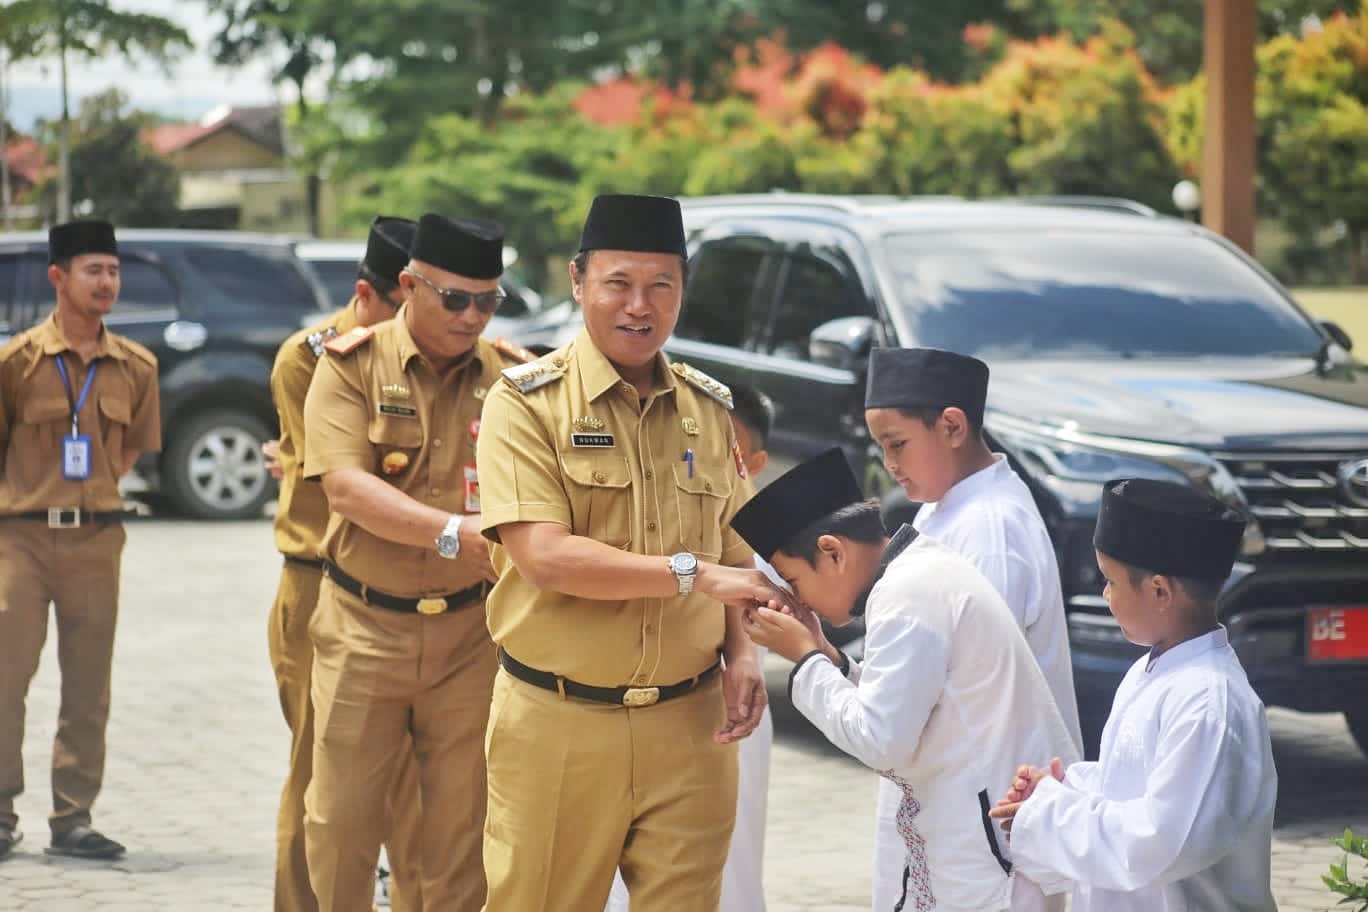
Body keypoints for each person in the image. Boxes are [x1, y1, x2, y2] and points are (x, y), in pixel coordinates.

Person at [475, 193, 782, 912]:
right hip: (560, 722)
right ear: (578, 281)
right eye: (618, 283)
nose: (639, 306)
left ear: (682, 291)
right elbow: (544, 556)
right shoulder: (525, 404)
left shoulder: (709, 410)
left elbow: (738, 552)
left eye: (660, 285)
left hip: (691, 724)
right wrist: (689, 574)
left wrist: (743, 655)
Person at [300, 212, 532, 912]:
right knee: (341, 822)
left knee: (461, 834)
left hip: (471, 637)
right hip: (363, 629)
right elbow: (345, 487)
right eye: (455, 298)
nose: (473, 317)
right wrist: (454, 532)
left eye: (488, 301)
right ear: (407, 286)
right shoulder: (350, 364)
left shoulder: (515, 379)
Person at [735, 448, 1078, 912]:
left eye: (794, 582)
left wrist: (804, 658)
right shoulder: (913, 573)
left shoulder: (907, 595)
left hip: (987, 855)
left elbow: (881, 739)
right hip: (973, 837)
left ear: (832, 552)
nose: (802, 601)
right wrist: (826, 655)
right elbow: (899, 699)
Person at [989, 478, 1277, 912]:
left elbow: (1158, 843)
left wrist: (1047, 815)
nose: (1105, 595)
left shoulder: (1207, 702)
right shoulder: (1152, 670)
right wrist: (1063, 788)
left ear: (1160, 591)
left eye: (1110, 581)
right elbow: (1130, 785)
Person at [862, 346, 1083, 910]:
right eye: (880, 446)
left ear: (952, 426)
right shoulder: (942, 507)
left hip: (987, 809)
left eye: (897, 444)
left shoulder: (990, 527)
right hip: (947, 800)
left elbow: (975, 677)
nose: (889, 463)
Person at [266, 216, 424, 912]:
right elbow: (352, 479)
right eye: (403, 303)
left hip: (417, 592)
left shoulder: (434, 359)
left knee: (420, 790)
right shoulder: (312, 359)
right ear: (368, 294)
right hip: (322, 584)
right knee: (321, 780)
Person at [0, 220, 161, 861]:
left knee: (89, 686)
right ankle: (0, 812)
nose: (107, 282)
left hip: (96, 540)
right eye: (93, 270)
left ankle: (73, 819)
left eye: (113, 271)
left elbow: (127, 453)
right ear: (58, 277)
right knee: (6, 678)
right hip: (20, 540)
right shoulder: (15, 363)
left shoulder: (137, 367)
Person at [605, 381, 777, 912]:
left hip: (724, 704)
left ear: (752, 461)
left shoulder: (768, 533)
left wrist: (742, 655)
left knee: (729, 862)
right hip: (632, 707)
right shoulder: (653, 509)